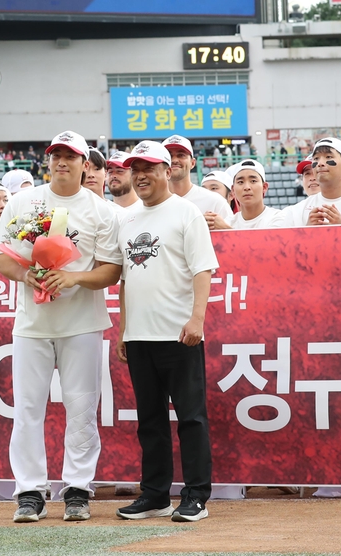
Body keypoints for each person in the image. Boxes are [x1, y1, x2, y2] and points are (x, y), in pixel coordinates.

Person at [0, 131, 123, 523]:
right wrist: (26, 274)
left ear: (86, 164)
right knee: (28, 408)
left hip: (82, 322)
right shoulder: (23, 202)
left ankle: (77, 489)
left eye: (71, 156)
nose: (62, 161)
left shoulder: (102, 211)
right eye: (56, 155)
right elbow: (1, 257)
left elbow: (111, 271)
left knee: (81, 407)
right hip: (32, 323)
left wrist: (74, 279)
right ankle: (29, 491)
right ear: (47, 161)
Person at [114, 141, 216, 523]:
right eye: (134, 168)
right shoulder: (128, 219)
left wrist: (197, 320)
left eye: (148, 168)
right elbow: (124, 281)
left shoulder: (186, 213)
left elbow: (202, 269)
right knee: (150, 420)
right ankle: (155, 494)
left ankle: (196, 497)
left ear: (167, 170)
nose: (140, 175)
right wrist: (124, 329)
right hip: (140, 337)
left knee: (191, 418)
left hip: (179, 335)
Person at [282, 139, 341, 228]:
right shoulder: (296, 212)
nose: (320, 163)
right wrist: (307, 232)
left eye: (328, 157)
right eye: (316, 158)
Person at [161, 135, 231, 220]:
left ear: (193, 163)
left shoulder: (215, 202)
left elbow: (236, 233)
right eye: (169, 156)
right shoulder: (147, 204)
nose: (174, 160)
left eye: (181, 155)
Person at [209, 159, 283, 229]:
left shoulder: (278, 218)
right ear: (233, 190)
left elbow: (266, 242)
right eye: (240, 182)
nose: (247, 187)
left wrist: (227, 230)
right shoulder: (229, 222)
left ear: (264, 187)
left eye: (253, 181)